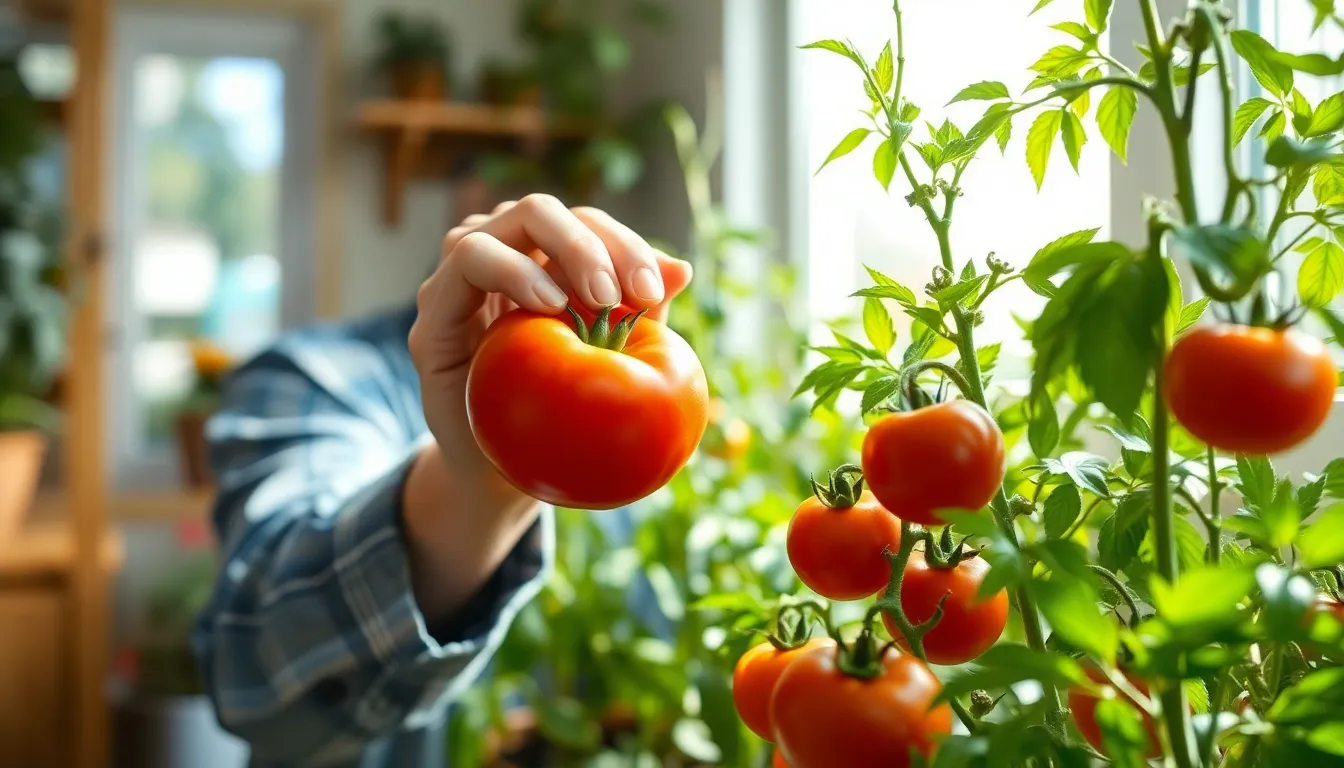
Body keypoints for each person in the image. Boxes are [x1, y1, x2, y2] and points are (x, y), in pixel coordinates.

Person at [191, 195, 694, 767]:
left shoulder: (663, 414)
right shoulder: (316, 377)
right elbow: (257, 685)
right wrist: (472, 485)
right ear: (459, 211)